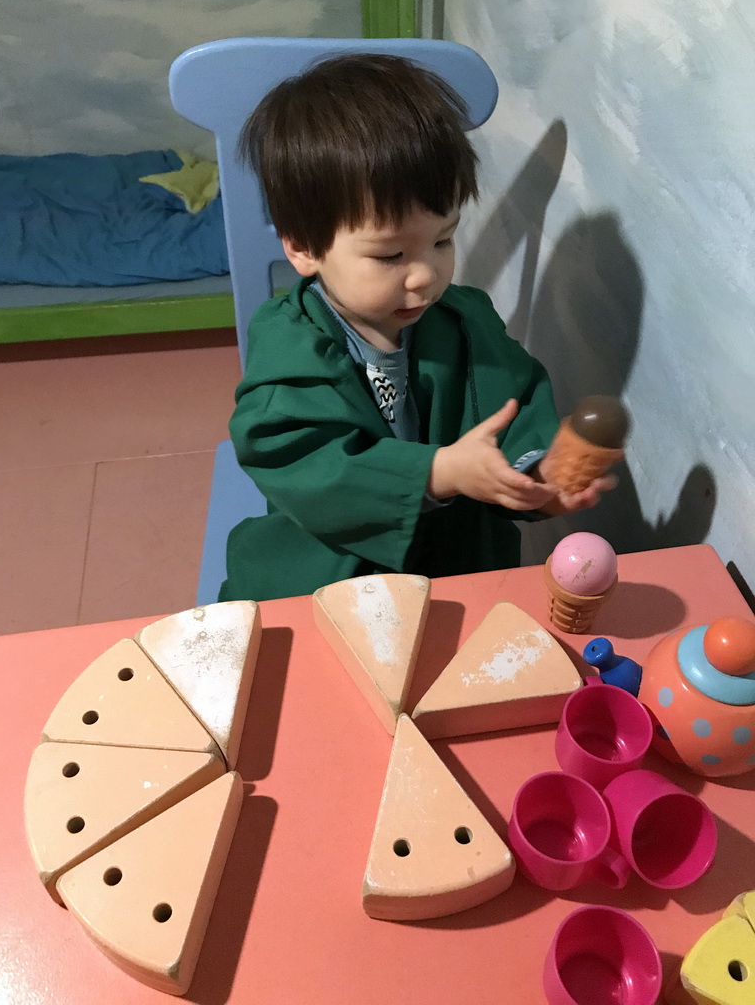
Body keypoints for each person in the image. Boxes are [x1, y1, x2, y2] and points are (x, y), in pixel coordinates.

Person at [218, 54, 613, 602]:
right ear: (304, 248)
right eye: (389, 255)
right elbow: (296, 459)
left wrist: (536, 477)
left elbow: (515, 403)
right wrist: (437, 471)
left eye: (443, 241)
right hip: (335, 561)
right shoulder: (291, 348)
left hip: (456, 556)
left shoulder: (463, 318)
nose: (426, 275)